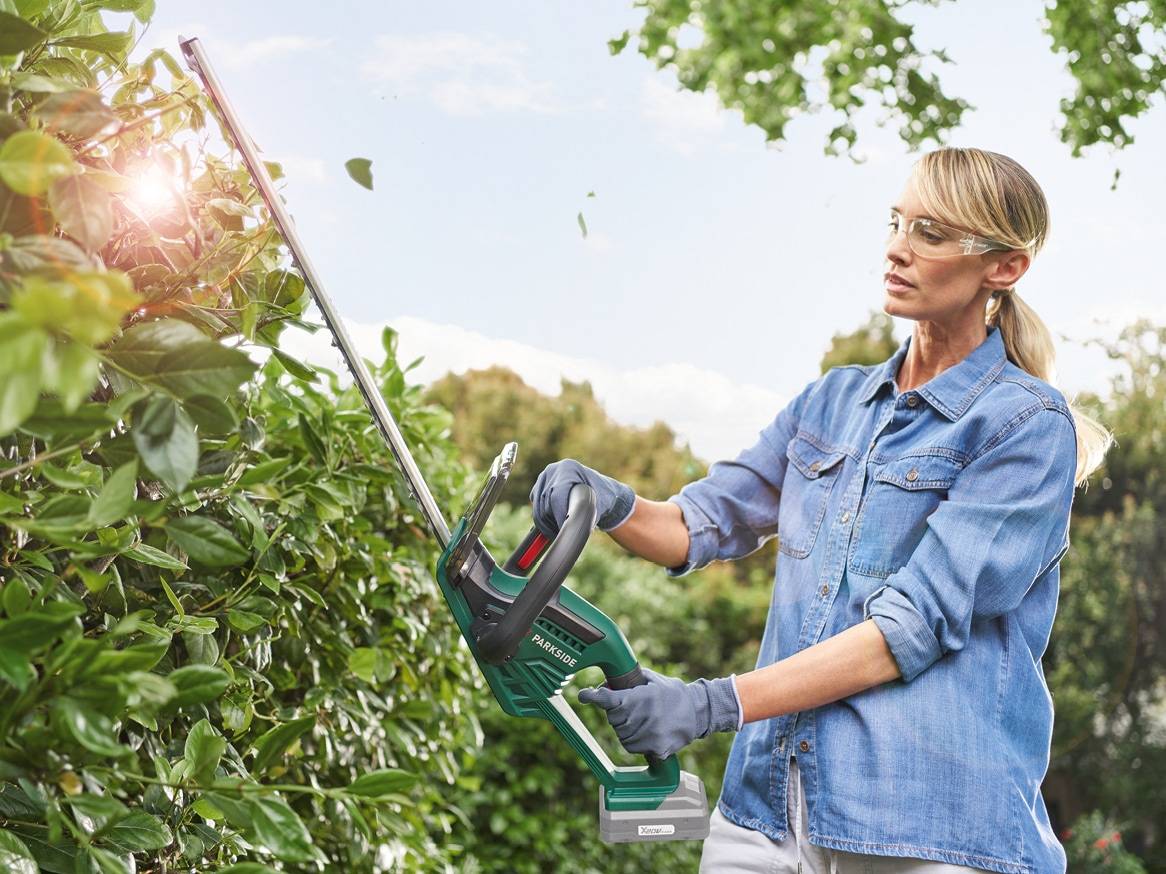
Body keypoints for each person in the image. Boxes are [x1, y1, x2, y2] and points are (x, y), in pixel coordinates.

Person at [528, 147, 1113, 874]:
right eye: (897, 223)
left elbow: (908, 627)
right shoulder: (833, 402)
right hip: (766, 813)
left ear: (1004, 267)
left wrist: (712, 704)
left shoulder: (1023, 425)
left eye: (930, 234)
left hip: (927, 828)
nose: (896, 248)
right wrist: (610, 503)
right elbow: (697, 526)